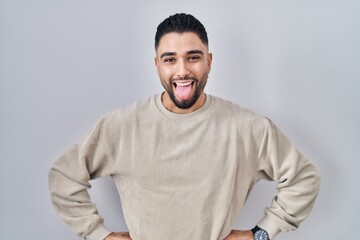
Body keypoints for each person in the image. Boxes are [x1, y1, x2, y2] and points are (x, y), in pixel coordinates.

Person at [48, 13, 320, 240]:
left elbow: (304, 178)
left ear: (209, 61)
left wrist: (261, 233)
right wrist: (99, 234)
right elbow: (64, 177)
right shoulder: (120, 125)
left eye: (193, 57)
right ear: (157, 65)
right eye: (170, 59)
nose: (182, 71)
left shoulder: (248, 128)